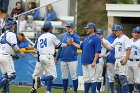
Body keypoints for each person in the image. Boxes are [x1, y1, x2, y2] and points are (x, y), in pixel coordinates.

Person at [30, 21, 70, 93]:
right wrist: (67, 44)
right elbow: (59, 45)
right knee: (53, 76)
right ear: (49, 29)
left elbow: (38, 50)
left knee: (42, 74)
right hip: (48, 56)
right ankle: (39, 80)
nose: (52, 29)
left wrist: (39, 58)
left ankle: (44, 89)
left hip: (41, 57)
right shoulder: (51, 36)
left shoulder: (40, 37)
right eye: (51, 28)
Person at [68, 22, 101, 93]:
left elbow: (97, 51)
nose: (87, 30)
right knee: (86, 79)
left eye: (88, 28)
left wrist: (94, 61)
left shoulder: (96, 38)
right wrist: (72, 43)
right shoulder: (86, 38)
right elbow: (80, 47)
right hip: (84, 61)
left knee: (92, 78)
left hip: (91, 61)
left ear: (92, 29)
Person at [102, 24, 131, 93]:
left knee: (122, 77)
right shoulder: (116, 39)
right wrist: (102, 43)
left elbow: (128, 49)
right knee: (117, 77)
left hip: (122, 58)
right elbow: (111, 48)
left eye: (116, 30)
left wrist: (125, 59)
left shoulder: (125, 38)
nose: (115, 32)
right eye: (114, 30)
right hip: (117, 59)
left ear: (121, 30)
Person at [0, 17, 25, 92]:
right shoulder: (12, 34)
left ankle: (6, 92)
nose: (14, 26)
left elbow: (5, 47)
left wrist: (13, 54)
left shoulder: (2, 35)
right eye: (13, 25)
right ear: (11, 26)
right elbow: (14, 46)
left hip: (1, 55)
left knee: (5, 76)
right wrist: (20, 51)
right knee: (12, 75)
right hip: (6, 57)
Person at [55, 22, 80, 93]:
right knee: (64, 76)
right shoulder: (64, 36)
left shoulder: (76, 36)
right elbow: (60, 48)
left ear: (72, 28)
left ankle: (75, 91)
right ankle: (65, 91)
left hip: (72, 59)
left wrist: (73, 35)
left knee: (74, 76)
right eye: (67, 27)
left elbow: (78, 44)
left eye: (69, 27)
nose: (68, 28)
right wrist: (57, 58)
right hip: (63, 59)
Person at [127, 26, 140, 93]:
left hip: (137, 62)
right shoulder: (129, 41)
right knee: (129, 79)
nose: (136, 34)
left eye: (138, 33)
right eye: (135, 32)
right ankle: (130, 91)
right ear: (132, 33)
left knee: (138, 80)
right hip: (129, 61)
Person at [106, 28, 117, 93]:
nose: (114, 31)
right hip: (110, 60)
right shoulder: (108, 38)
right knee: (110, 77)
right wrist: (106, 61)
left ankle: (119, 90)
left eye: (115, 30)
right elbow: (106, 50)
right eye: (113, 30)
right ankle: (112, 91)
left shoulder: (120, 38)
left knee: (119, 76)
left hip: (118, 60)